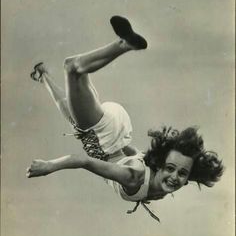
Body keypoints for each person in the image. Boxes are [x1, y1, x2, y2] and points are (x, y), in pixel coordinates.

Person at [27, 16, 223, 221]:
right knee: (72, 68)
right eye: (171, 169)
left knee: (71, 114)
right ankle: (123, 45)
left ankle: (43, 76)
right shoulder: (133, 178)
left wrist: (124, 149)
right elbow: (83, 161)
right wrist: (48, 166)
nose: (174, 177)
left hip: (116, 135)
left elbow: (133, 156)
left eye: (182, 174)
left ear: (189, 177)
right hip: (104, 139)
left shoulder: (157, 179)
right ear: (161, 164)